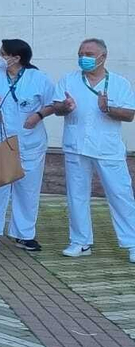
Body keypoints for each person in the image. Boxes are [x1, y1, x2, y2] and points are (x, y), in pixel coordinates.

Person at [44, 38, 135, 261]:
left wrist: (108, 109)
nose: (84, 57)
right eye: (81, 53)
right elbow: (56, 107)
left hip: (108, 148)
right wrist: (64, 107)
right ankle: (80, 241)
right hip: (76, 146)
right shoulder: (69, 80)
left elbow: (130, 114)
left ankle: (132, 242)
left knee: (120, 194)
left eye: (89, 54)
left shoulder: (119, 83)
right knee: (77, 195)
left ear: (103, 57)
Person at [0, 39, 53, 253]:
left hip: (30, 140)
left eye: (3, 53)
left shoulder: (38, 78)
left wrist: (39, 115)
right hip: (0, 138)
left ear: (16, 57)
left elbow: (53, 103)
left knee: (28, 189)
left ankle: (24, 234)